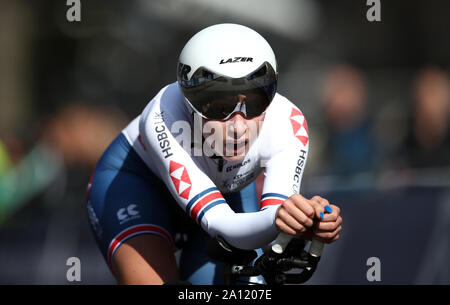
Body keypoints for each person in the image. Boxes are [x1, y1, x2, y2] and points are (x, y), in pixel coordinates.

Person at [86, 23, 343, 285]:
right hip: (139, 185)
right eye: (220, 108)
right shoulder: (163, 117)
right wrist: (281, 219)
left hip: (224, 193)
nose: (238, 127)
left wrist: (306, 219)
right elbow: (222, 222)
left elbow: (274, 217)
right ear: (188, 100)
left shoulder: (288, 122)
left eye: (254, 103)